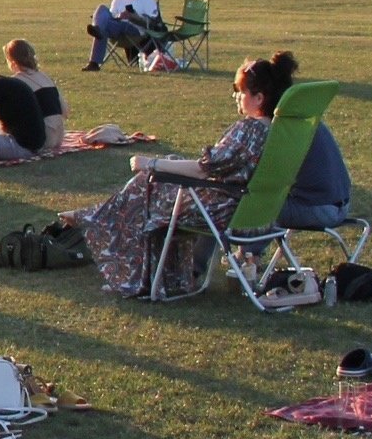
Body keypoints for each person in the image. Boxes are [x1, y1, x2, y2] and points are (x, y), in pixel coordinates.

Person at [74, 52, 289, 297]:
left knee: (144, 190)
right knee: (159, 175)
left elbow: (203, 168)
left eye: (240, 91)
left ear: (259, 98)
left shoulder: (248, 129)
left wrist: (152, 162)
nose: (235, 96)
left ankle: (124, 263)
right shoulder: (277, 131)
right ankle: (164, 274)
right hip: (254, 209)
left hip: (221, 207)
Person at [86, 0, 164, 70]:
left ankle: (94, 61)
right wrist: (119, 16)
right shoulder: (118, 0)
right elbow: (112, 17)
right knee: (101, 9)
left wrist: (134, 17)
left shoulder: (147, 0)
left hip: (135, 32)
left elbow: (152, 23)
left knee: (107, 28)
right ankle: (94, 61)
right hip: (116, 30)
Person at [3, 39, 67, 141]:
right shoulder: (45, 77)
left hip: (42, 139)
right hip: (59, 137)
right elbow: (65, 111)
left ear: (11, 60)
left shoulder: (16, 81)